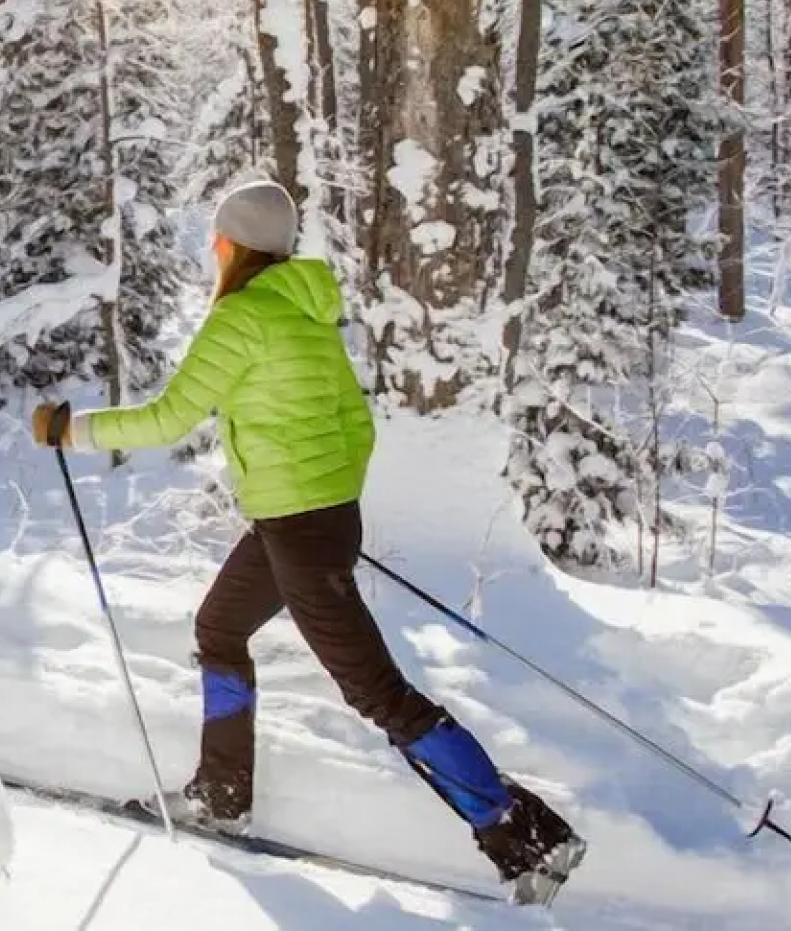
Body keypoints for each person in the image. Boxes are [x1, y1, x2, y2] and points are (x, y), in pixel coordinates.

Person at [30, 180, 585, 903]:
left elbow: (169, 420)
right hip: (305, 521)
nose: (213, 249)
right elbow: (356, 427)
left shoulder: (242, 317)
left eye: (218, 239)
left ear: (231, 246)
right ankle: (221, 795)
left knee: (377, 692)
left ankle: (526, 835)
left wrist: (69, 430)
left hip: (298, 527)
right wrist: (322, 508)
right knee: (220, 626)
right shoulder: (307, 313)